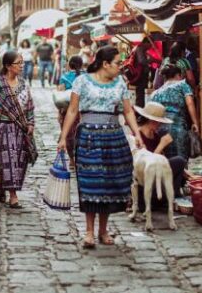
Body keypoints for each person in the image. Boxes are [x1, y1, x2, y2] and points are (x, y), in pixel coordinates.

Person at [58, 46, 144, 248]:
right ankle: (88, 231)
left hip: (113, 137)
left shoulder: (120, 83)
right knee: (90, 182)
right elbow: (72, 111)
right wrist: (63, 137)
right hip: (89, 136)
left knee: (108, 183)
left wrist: (137, 133)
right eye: (117, 63)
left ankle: (103, 230)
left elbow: (128, 111)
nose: (120, 67)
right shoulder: (82, 82)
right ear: (105, 64)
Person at [0, 51, 36, 208]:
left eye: (22, 63)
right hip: (2, 129)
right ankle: (13, 195)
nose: (21, 66)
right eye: (18, 63)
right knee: (8, 161)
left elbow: (30, 107)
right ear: (7, 66)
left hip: (21, 130)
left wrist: (30, 124)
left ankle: (2, 185)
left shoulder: (23, 85)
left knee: (19, 162)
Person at [135, 102, 187, 198]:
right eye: (158, 122)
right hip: (145, 179)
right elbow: (146, 166)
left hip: (158, 176)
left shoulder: (155, 136)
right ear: (152, 121)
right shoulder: (138, 137)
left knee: (180, 162)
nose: (159, 125)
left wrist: (185, 172)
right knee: (179, 160)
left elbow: (163, 161)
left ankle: (173, 196)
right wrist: (161, 145)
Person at [150, 65, 199, 159]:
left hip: (161, 129)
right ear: (178, 75)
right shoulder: (182, 85)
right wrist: (195, 122)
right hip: (178, 128)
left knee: (165, 159)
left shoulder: (156, 93)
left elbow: (151, 112)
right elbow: (190, 103)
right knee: (180, 159)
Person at [57, 55, 84, 164]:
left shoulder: (64, 77)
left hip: (67, 110)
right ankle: (79, 157)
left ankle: (72, 160)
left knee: (68, 135)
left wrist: (59, 113)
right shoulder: (86, 77)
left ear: (69, 64)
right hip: (82, 110)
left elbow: (60, 98)